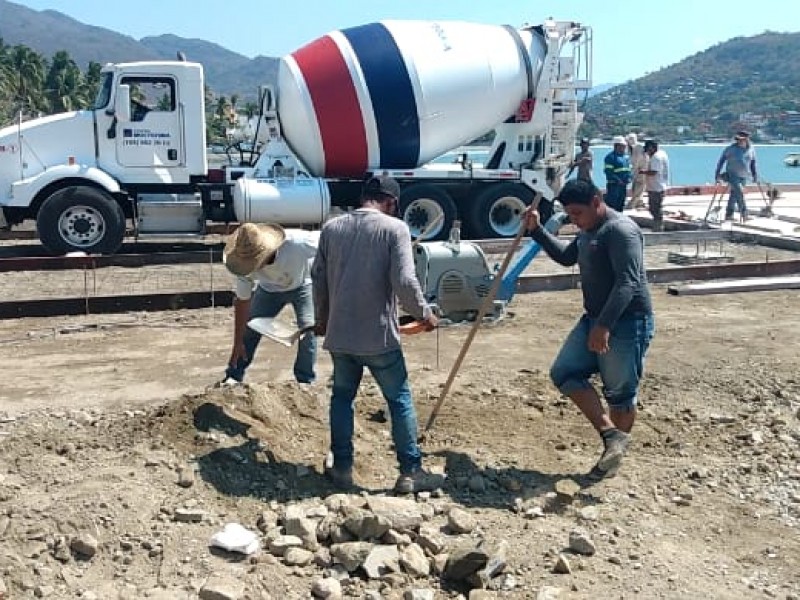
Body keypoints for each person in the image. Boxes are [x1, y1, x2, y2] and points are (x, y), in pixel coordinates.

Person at [311, 175, 443, 494]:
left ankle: (342, 469)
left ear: (364, 197)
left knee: (342, 398)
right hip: (379, 337)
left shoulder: (331, 228)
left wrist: (322, 320)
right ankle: (410, 471)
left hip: (341, 337)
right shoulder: (394, 229)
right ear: (392, 203)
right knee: (399, 399)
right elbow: (404, 280)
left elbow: (318, 278)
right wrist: (425, 313)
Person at [523, 179, 655, 480]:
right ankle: (612, 437)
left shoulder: (621, 231)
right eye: (570, 215)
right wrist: (537, 231)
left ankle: (611, 463)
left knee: (620, 395)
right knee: (564, 372)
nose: (575, 220)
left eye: (579, 213)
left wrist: (604, 326)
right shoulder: (588, 229)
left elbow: (628, 282)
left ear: (597, 202)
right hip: (594, 318)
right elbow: (567, 257)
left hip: (626, 322)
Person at [221, 222, 319, 385]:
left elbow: (332, 241)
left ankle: (305, 380)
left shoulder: (299, 243)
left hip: (302, 285)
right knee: (250, 329)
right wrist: (238, 342)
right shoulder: (243, 265)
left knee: (308, 330)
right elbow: (242, 302)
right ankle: (234, 375)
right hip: (268, 291)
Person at [714, 130, 758, 221]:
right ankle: (744, 214)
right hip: (732, 175)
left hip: (744, 176)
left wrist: (754, 175)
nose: (739, 141)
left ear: (746, 139)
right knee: (740, 193)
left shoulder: (751, 149)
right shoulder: (730, 149)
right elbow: (721, 162)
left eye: (741, 139)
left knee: (734, 195)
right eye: (737, 139)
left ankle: (729, 215)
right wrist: (717, 174)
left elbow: (753, 163)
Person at [640, 139, 670, 232]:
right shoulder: (662, 154)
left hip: (656, 187)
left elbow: (654, 172)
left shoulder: (656, 158)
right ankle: (658, 226)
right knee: (656, 208)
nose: (647, 153)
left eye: (648, 150)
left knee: (655, 209)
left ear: (651, 148)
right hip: (660, 185)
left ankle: (658, 227)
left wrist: (642, 172)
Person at [603, 136, 632, 212]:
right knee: (613, 205)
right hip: (614, 186)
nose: (624, 148)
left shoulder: (625, 157)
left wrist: (629, 178)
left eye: (625, 146)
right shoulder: (610, 157)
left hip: (623, 186)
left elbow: (629, 170)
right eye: (623, 146)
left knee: (621, 204)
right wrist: (618, 180)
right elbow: (608, 172)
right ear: (616, 146)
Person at [625, 133, 647, 209]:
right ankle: (639, 202)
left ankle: (632, 205)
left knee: (639, 188)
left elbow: (637, 162)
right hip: (636, 171)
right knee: (635, 188)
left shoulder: (638, 147)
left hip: (641, 171)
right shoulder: (631, 148)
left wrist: (631, 173)